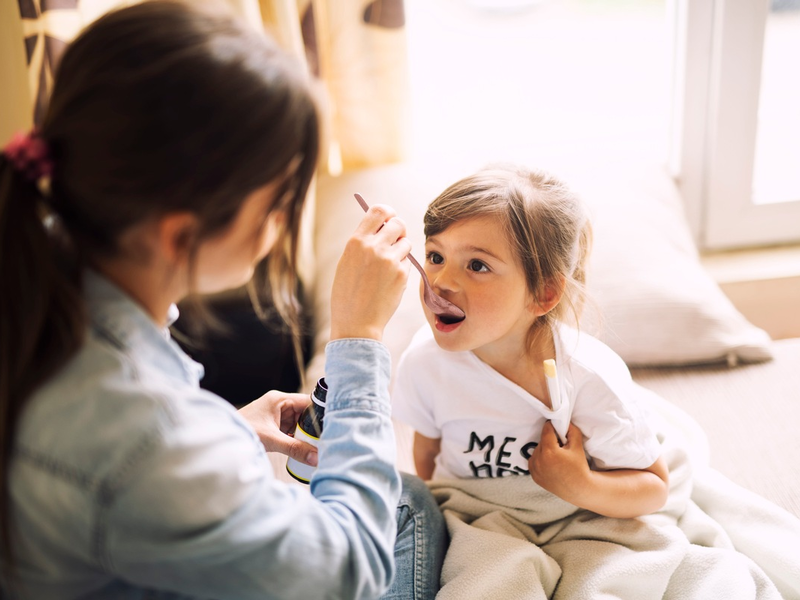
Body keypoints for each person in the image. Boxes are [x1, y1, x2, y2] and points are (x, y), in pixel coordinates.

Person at [0, 2, 445, 598]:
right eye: (278, 204)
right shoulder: (146, 432)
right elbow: (351, 572)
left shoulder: (37, 264)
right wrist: (358, 337)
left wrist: (226, 429)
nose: (286, 223)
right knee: (405, 511)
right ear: (181, 235)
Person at [392, 164, 670, 519]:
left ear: (543, 293)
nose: (441, 282)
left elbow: (654, 489)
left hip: (570, 514)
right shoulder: (423, 362)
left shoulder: (591, 379)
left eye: (476, 265)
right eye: (436, 257)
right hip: (470, 515)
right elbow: (427, 457)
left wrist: (580, 485)